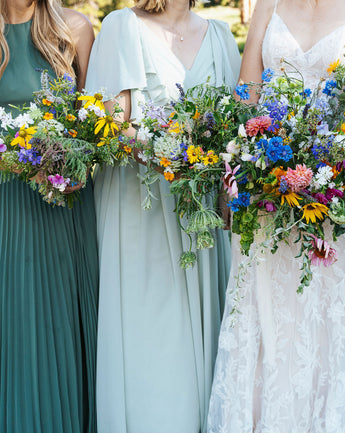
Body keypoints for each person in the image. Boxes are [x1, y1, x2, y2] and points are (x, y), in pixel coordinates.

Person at [206, 0, 345, 431]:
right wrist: (238, 171)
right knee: (263, 304)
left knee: (322, 310)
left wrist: (328, 170)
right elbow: (247, 95)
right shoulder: (267, 3)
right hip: (266, 188)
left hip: (330, 189)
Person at [84, 1, 240, 432]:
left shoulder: (221, 38)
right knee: (151, 332)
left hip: (202, 214)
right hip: (141, 210)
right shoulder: (123, 28)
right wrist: (172, 157)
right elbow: (112, 123)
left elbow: (236, 127)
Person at [0, 1, 98, 432]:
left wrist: (71, 161)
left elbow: (96, 124)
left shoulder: (74, 29)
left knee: (61, 327)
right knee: (18, 326)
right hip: (8, 207)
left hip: (64, 208)